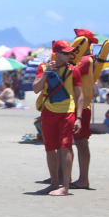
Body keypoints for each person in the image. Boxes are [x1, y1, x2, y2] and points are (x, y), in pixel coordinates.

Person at [32, 40, 84, 196]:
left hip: (67, 112)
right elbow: (36, 88)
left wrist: (79, 118)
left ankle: (65, 187)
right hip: (48, 112)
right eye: (66, 53)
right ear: (56, 54)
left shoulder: (73, 70)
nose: (70, 55)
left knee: (66, 147)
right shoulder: (43, 67)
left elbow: (80, 95)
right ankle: (54, 183)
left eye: (70, 53)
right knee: (50, 149)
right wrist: (46, 73)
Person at [71, 28, 98, 190]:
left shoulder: (86, 60)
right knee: (71, 142)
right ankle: (64, 174)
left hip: (82, 107)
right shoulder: (82, 59)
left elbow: (69, 73)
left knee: (81, 143)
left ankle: (83, 179)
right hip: (76, 105)